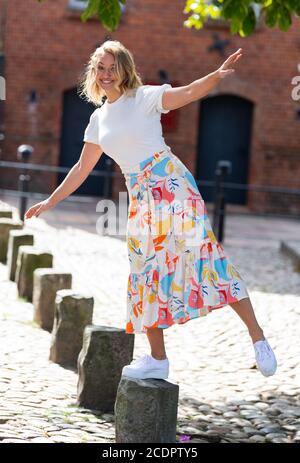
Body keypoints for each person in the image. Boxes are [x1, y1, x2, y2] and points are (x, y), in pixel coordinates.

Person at [25, 40, 277, 381]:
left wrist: (216, 76)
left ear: (125, 69)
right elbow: (81, 168)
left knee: (205, 257)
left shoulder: (143, 98)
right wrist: (51, 201)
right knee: (143, 271)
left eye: (112, 67)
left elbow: (186, 93)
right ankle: (158, 359)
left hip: (171, 184)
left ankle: (257, 337)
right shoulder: (99, 118)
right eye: (100, 68)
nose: (106, 74)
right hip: (141, 196)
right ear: (93, 73)